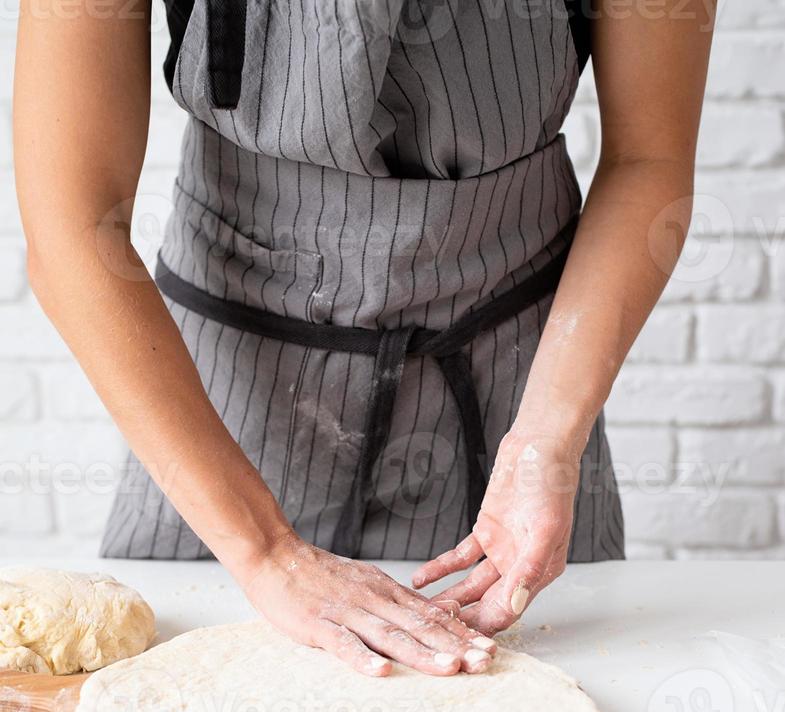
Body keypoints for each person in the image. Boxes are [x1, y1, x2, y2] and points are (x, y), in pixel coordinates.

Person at [15, 0, 715, 676]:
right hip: (216, 403)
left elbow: (646, 160)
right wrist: (262, 551)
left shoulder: (538, 430)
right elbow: (72, 230)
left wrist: (545, 440)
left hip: (524, 386)